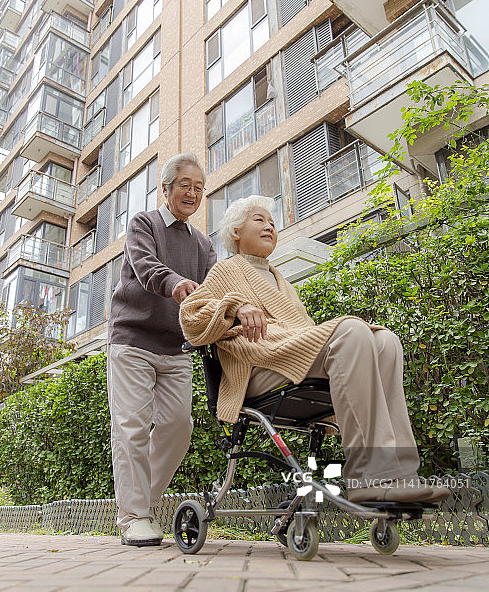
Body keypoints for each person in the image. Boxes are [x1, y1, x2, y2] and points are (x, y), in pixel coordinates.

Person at [179, 195, 449, 505]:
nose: (269, 226)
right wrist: (235, 305)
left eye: (272, 222)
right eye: (259, 219)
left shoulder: (282, 281)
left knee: (385, 341)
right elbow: (190, 319)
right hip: (259, 366)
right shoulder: (225, 271)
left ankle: (399, 475)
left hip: (293, 354)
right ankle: (368, 477)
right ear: (236, 232)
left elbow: (306, 331)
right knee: (351, 330)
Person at [108, 154, 217, 546]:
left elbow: (212, 294)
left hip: (176, 347)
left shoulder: (203, 245)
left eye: (198, 187)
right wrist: (174, 283)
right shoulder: (143, 224)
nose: (191, 193)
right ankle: (134, 516)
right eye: (184, 185)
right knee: (131, 428)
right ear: (165, 189)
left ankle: (143, 504)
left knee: (178, 427)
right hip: (133, 340)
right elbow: (145, 266)